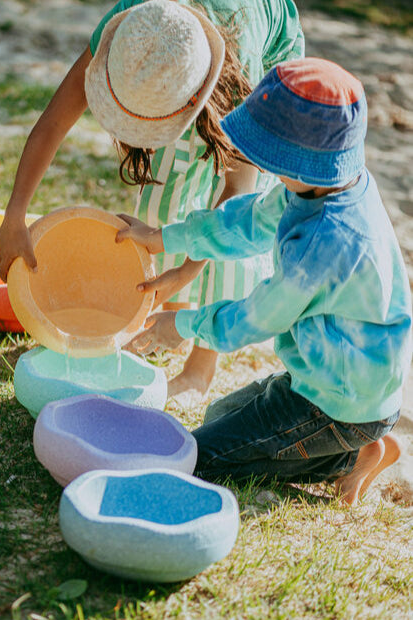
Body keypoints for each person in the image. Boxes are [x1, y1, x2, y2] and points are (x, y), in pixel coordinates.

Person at [116, 57, 412, 505]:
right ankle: (357, 445)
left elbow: (255, 317)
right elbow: (248, 222)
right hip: (330, 379)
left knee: (201, 457)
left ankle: (350, 454)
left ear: (304, 161)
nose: (265, 165)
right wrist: (163, 239)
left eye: (273, 156)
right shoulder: (326, 184)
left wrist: (178, 326)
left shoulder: (325, 242)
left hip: (338, 402)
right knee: (218, 415)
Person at [0, 0, 305, 399]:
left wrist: (187, 271)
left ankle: (200, 365)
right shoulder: (134, 32)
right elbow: (54, 120)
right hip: (186, 67)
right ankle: (170, 311)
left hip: (263, 61)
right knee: (160, 200)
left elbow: (234, 200)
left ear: (193, 100)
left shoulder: (239, 80)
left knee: (228, 241)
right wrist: (15, 213)